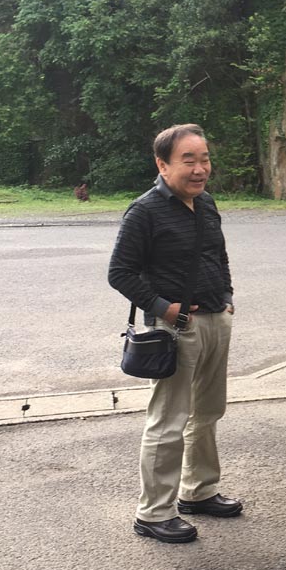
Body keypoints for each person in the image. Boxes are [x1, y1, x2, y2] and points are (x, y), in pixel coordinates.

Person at [108, 124, 242, 544]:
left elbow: (218, 255)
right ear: (162, 164)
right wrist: (165, 308)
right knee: (168, 420)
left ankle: (198, 491)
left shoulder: (206, 204)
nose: (200, 169)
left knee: (208, 412)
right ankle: (154, 513)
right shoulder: (144, 211)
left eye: (204, 159)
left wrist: (227, 297)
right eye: (189, 161)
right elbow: (120, 273)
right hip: (176, 328)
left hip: (216, 319)